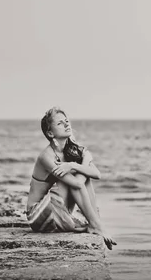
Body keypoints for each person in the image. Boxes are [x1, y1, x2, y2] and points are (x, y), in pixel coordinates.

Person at [26, 106, 116, 250]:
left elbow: (97, 174)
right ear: (50, 132)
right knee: (73, 179)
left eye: (66, 121)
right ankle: (96, 225)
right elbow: (76, 183)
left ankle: (96, 223)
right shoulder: (47, 157)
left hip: (57, 210)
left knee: (83, 176)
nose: (67, 124)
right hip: (38, 215)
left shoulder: (72, 149)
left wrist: (74, 165)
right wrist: (81, 163)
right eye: (60, 123)